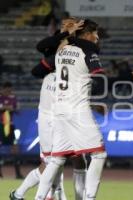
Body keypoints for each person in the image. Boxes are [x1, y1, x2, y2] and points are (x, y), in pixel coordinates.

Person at [9, 18, 86, 200]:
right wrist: (64, 37)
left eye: (71, 25)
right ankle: (40, 194)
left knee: (61, 159)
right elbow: (39, 54)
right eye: (64, 25)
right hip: (48, 112)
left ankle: (24, 194)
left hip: (66, 113)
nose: (66, 26)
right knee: (51, 160)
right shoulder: (53, 46)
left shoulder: (79, 51)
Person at [35, 19, 107, 200]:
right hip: (78, 110)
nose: (97, 38)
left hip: (59, 110)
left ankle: (39, 198)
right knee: (99, 154)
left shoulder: (61, 52)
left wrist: (68, 35)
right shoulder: (89, 52)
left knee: (56, 159)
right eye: (95, 33)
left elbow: (43, 51)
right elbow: (100, 84)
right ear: (87, 34)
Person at [0, 82, 23, 179]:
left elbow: (18, 110)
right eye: (7, 90)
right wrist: (7, 108)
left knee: (15, 149)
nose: (9, 92)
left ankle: (18, 173)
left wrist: (12, 108)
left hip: (10, 126)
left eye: (10, 90)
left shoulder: (13, 98)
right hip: (1, 126)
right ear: (3, 89)